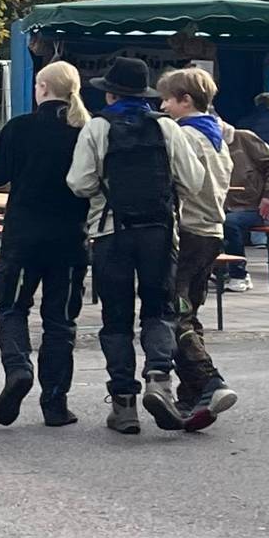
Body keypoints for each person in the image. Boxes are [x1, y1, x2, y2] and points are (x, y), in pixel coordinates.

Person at [67, 57, 206, 435]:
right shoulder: (166, 128)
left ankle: (124, 404)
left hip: (111, 231)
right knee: (158, 310)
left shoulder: (97, 127)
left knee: (116, 318)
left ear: (110, 93)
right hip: (159, 231)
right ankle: (159, 377)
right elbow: (193, 180)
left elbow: (79, 182)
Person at [0, 61, 90, 428]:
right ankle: (55, 402)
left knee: (11, 307)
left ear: (41, 88)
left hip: (23, 237)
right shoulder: (85, 130)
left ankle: (18, 367)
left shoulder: (21, 127)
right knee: (60, 321)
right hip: (71, 239)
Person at [155, 67, 241, 429]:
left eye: (167, 100)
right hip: (212, 230)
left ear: (185, 100)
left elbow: (178, 181)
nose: (162, 106)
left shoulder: (186, 136)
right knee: (190, 308)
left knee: (174, 312)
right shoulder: (218, 134)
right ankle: (192, 394)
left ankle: (209, 380)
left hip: (187, 230)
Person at [220, 99, 269, 295]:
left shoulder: (244, 138)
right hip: (222, 205)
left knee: (229, 222)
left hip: (254, 206)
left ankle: (239, 274)